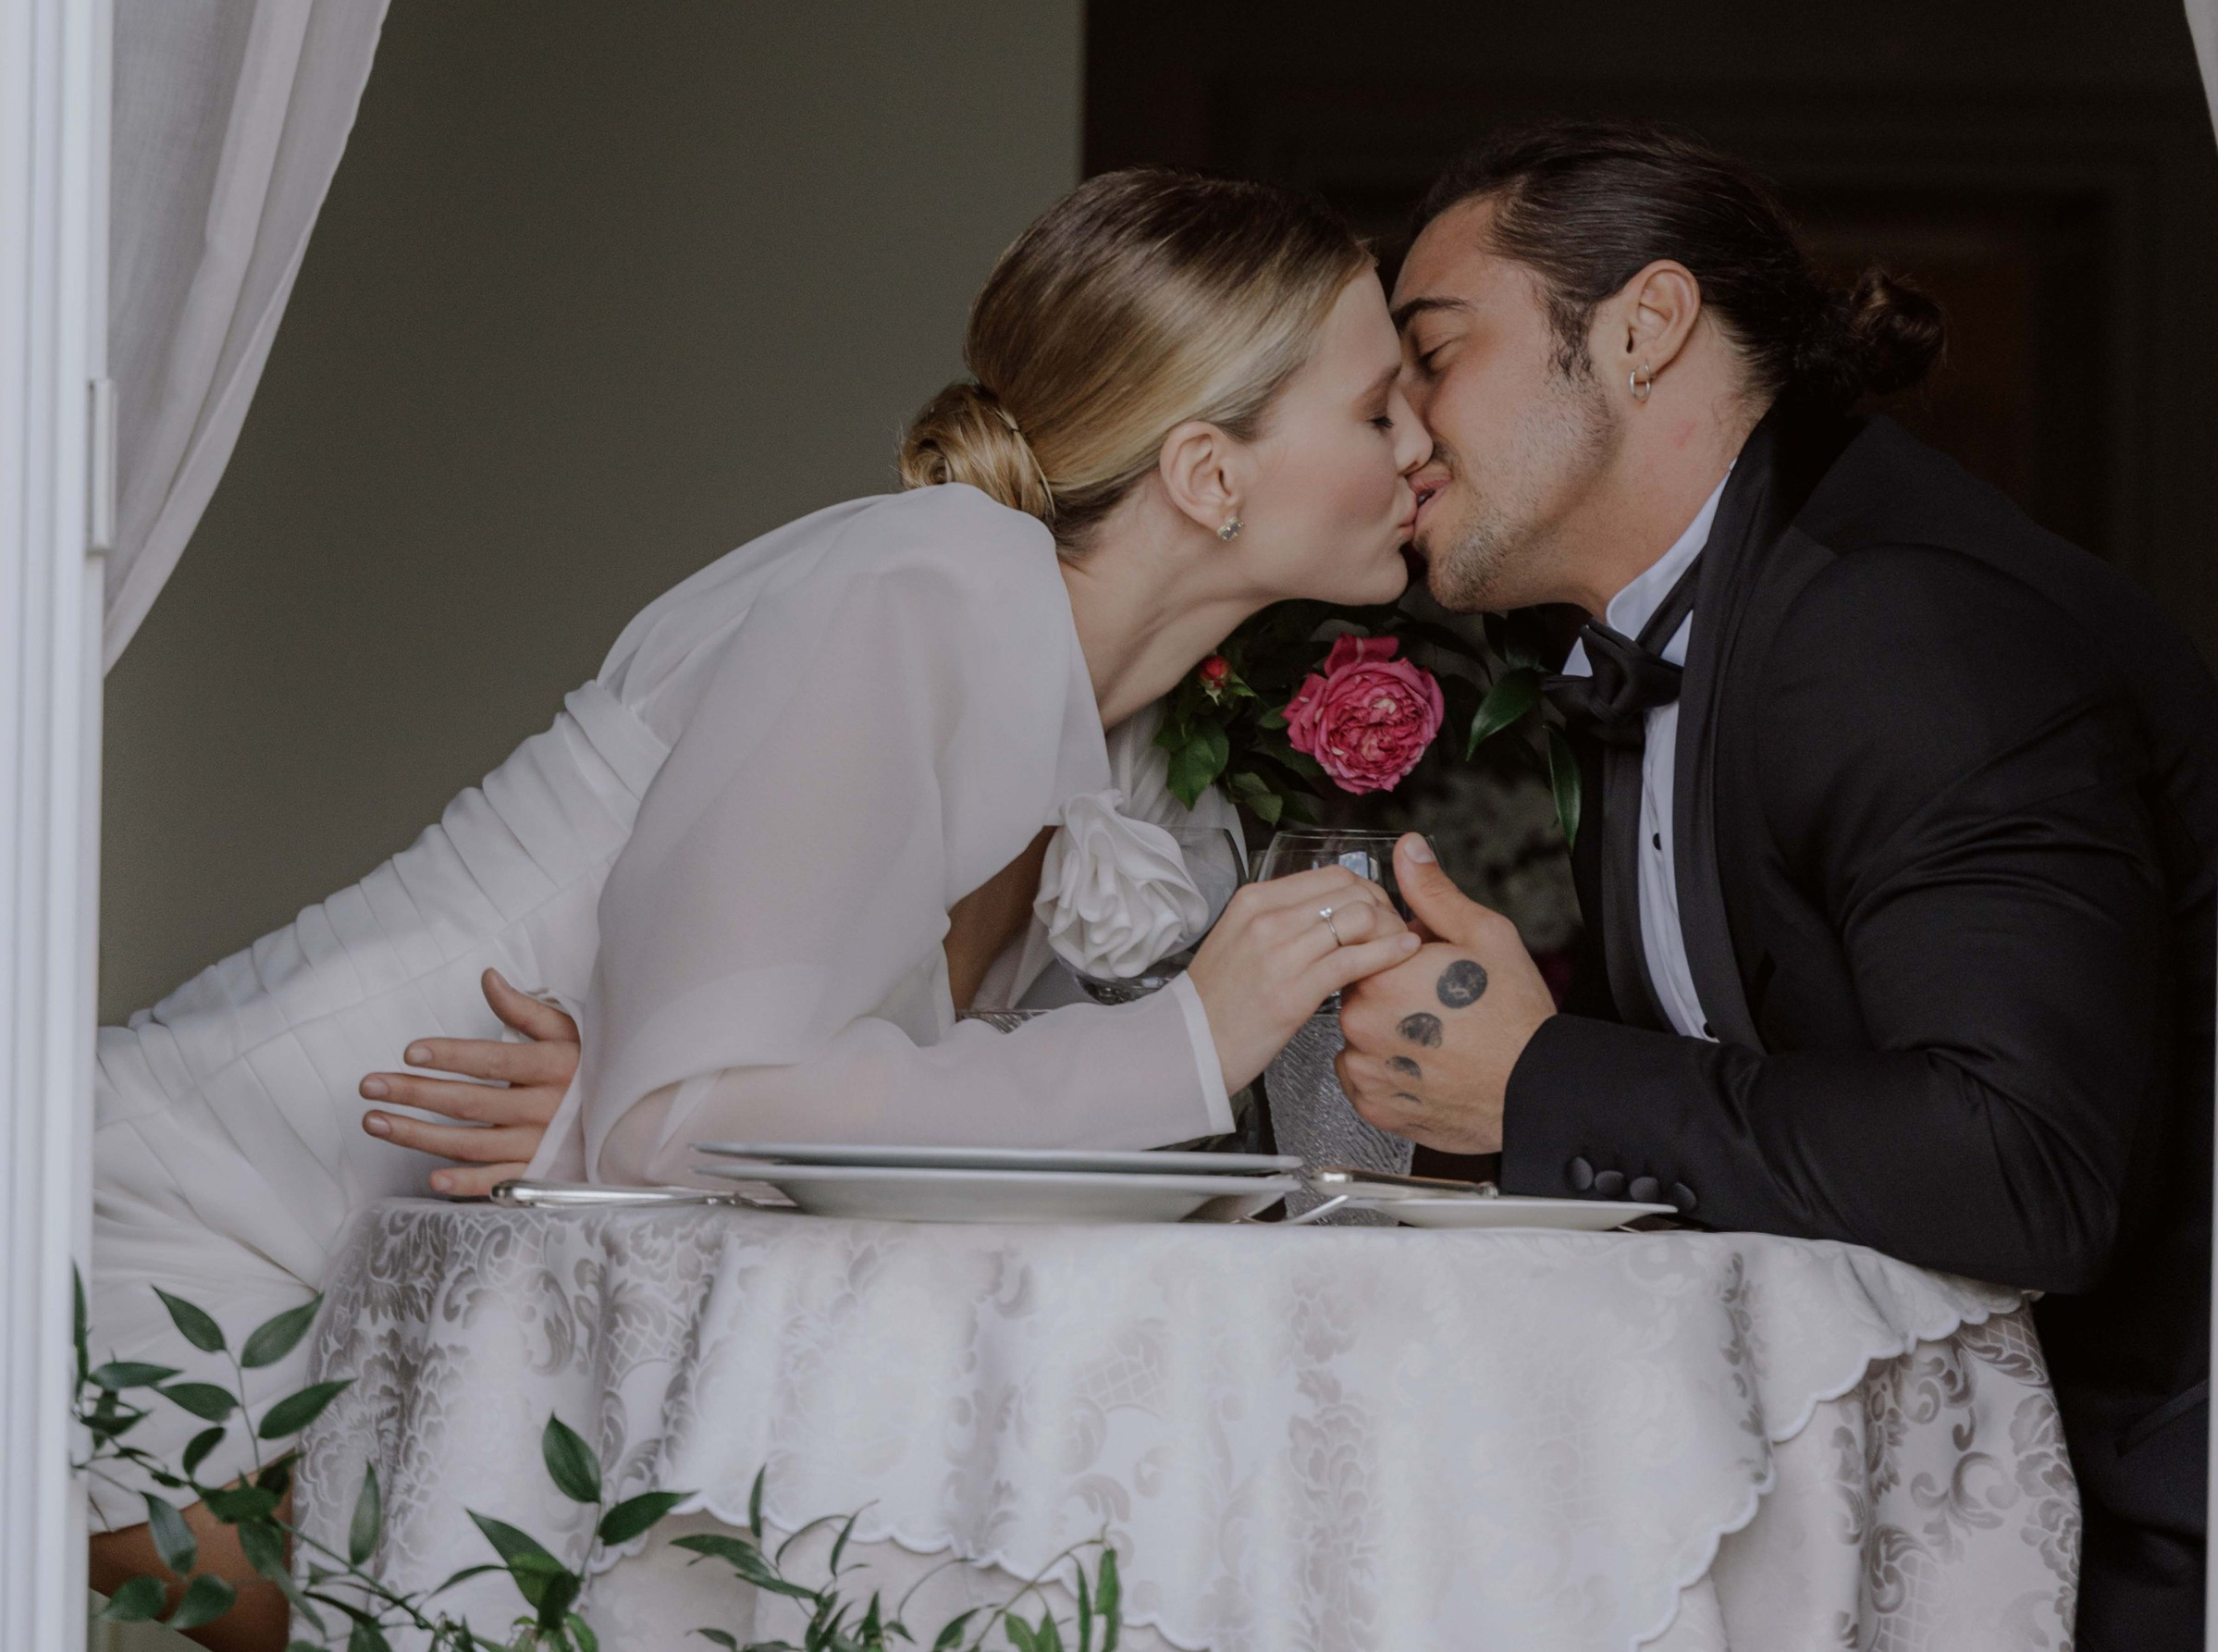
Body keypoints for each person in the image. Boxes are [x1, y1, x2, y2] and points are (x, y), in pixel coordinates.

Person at [90, 167, 1430, 1644]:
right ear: (1209, 473)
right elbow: (708, 1111)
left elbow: (763, 1123)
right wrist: (1186, 1041)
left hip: (451, 1290)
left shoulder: (1137, 756)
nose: (1424, 446)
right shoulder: (926, 584)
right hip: (180, 1228)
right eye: (1380, 411)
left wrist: (620, 1121)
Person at [1333, 119, 2215, 1652]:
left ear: (1645, 326)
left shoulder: (1900, 621)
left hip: (2151, 1529)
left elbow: (2024, 1163)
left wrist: (1542, 1080)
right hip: (1867, 1503)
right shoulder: (1659, 629)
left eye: (1435, 354)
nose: (1400, 435)